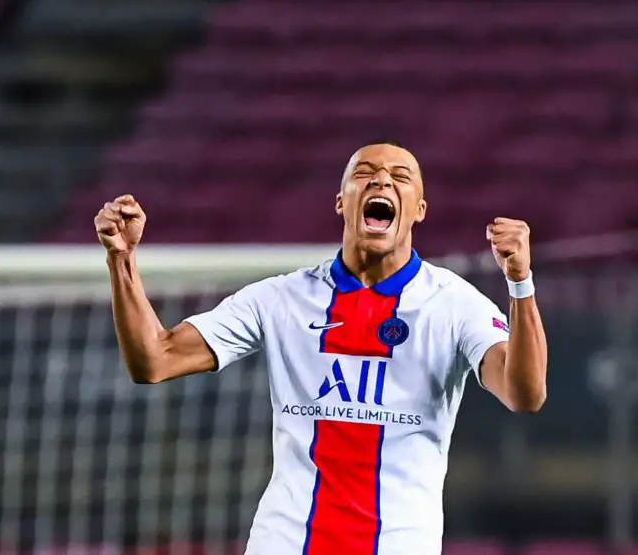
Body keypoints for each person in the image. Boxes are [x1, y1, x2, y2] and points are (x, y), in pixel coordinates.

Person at [95, 140, 548, 555]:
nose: (381, 181)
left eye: (400, 176)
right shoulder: (281, 298)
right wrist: (121, 258)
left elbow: (524, 394)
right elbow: (154, 360)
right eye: (365, 173)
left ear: (419, 209)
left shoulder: (453, 303)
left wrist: (520, 283)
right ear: (341, 202)